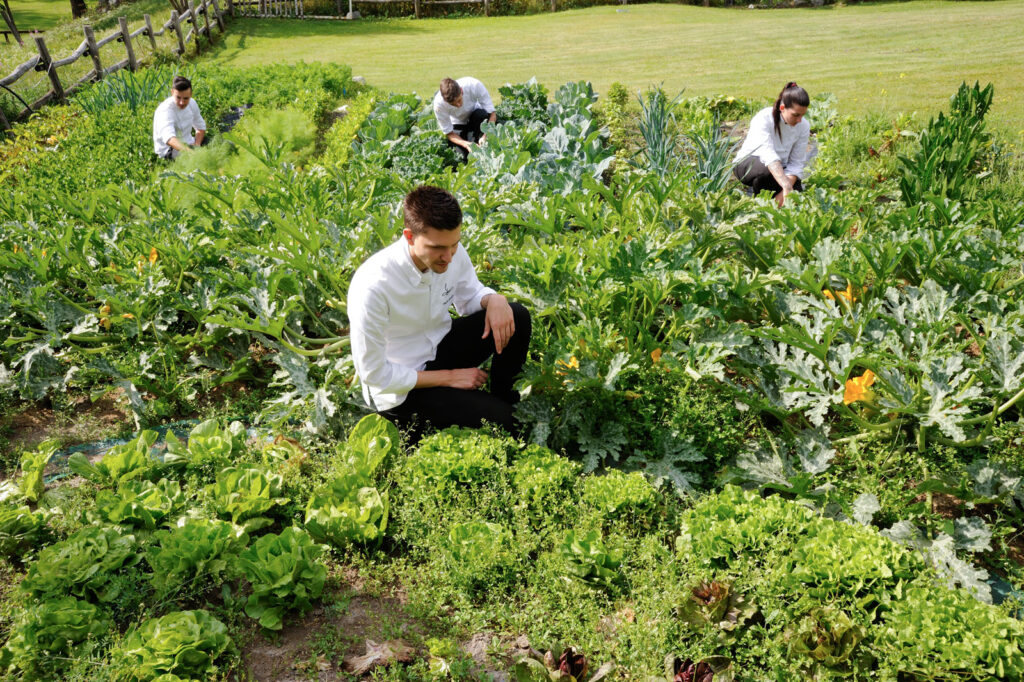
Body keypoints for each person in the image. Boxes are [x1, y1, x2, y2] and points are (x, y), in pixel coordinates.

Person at [348, 185, 531, 439]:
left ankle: (502, 398)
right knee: (511, 426)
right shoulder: (373, 285)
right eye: (437, 248)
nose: (448, 257)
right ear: (409, 236)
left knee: (516, 315)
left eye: (454, 245)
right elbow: (374, 374)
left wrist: (493, 299)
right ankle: (493, 412)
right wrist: (450, 377)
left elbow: (469, 297)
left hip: (438, 348)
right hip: (402, 388)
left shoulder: (449, 250)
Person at [733, 82, 811, 206]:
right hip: (749, 164)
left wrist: (788, 190)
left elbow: (796, 163)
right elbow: (768, 156)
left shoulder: (804, 126)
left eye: (802, 115)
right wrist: (786, 186)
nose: (799, 120)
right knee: (766, 173)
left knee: (796, 189)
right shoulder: (764, 118)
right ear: (782, 108)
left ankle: (767, 209)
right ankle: (760, 201)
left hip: (779, 167)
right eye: (795, 115)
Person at [432, 77, 497, 162]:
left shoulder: (474, 85)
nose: (458, 105)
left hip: (476, 115)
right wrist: (466, 144)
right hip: (456, 123)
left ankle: (477, 138)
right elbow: (449, 133)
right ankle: (470, 140)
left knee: (481, 115)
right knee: (461, 158)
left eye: (459, 100)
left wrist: (486, 135)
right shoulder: (438, 105)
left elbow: (492, 114)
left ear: (461, 90)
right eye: (453, 104)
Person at [152, 75, 207, 161]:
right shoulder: (164, 110)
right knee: (196, 160)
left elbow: (200, 127)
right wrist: (189, 152)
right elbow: (170, 139)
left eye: (186, 98)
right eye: (178, 97)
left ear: (191, 95)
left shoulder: (192, 103)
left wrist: (197, 144)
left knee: (220, 144)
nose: (182, 102)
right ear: (172, 92)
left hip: (189, 143)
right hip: (169, 150)